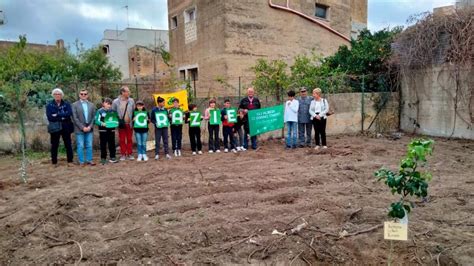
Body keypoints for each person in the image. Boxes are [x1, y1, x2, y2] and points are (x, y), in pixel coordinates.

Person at [45, 88, 74, 166]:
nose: (57, 95)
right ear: (53, 95)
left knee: (68, 144)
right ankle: (54, 162)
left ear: (62, 95)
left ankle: (70, 161)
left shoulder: (67, 104)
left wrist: (57, 115)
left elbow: (69, 114)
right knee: (54, 145)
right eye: (56, 94)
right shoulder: (49, 105)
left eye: (59, 94)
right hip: (55, 128)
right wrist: (62, 116)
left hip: (66, 127)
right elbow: (50, 117)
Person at [72, 89, 96, 166]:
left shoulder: (92, 105)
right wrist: (82, 127)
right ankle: (81, 161)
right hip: (79, 129)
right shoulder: (74, 105)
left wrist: (90, 126)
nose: (83, 95)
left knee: (89, 145)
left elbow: (94, 117)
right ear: (79, 95)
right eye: (81, 94)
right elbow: (74, 118)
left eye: (85, 94)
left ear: (87, 95)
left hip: (89, 128)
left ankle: (89, 160)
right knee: (80, 145)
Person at [112, 86, 135, 161]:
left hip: (129, 123)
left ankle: (130, 153)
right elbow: (113, 112)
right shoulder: (115, 102)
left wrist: (134, 118)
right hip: (121, 124)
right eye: (127, 91)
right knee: (122, 139)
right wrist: (117, 121)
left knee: (129, 139)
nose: (129, 93)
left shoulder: (131, 101)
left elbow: (134, 111)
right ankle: (123, 154)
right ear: (122, 92)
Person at [95, 98, 118, 165]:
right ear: (103, 103)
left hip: (111, 130)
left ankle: (112, 157)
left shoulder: (113, 111)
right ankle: (103, 158)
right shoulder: (99, 111)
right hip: (103, 130)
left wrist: (116, 123)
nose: (109, 105)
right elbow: (96, 121)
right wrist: (102, 123)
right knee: (103, 144)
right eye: (107, 103)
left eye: (110, 104)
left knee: (112, 144)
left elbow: (116, 119)